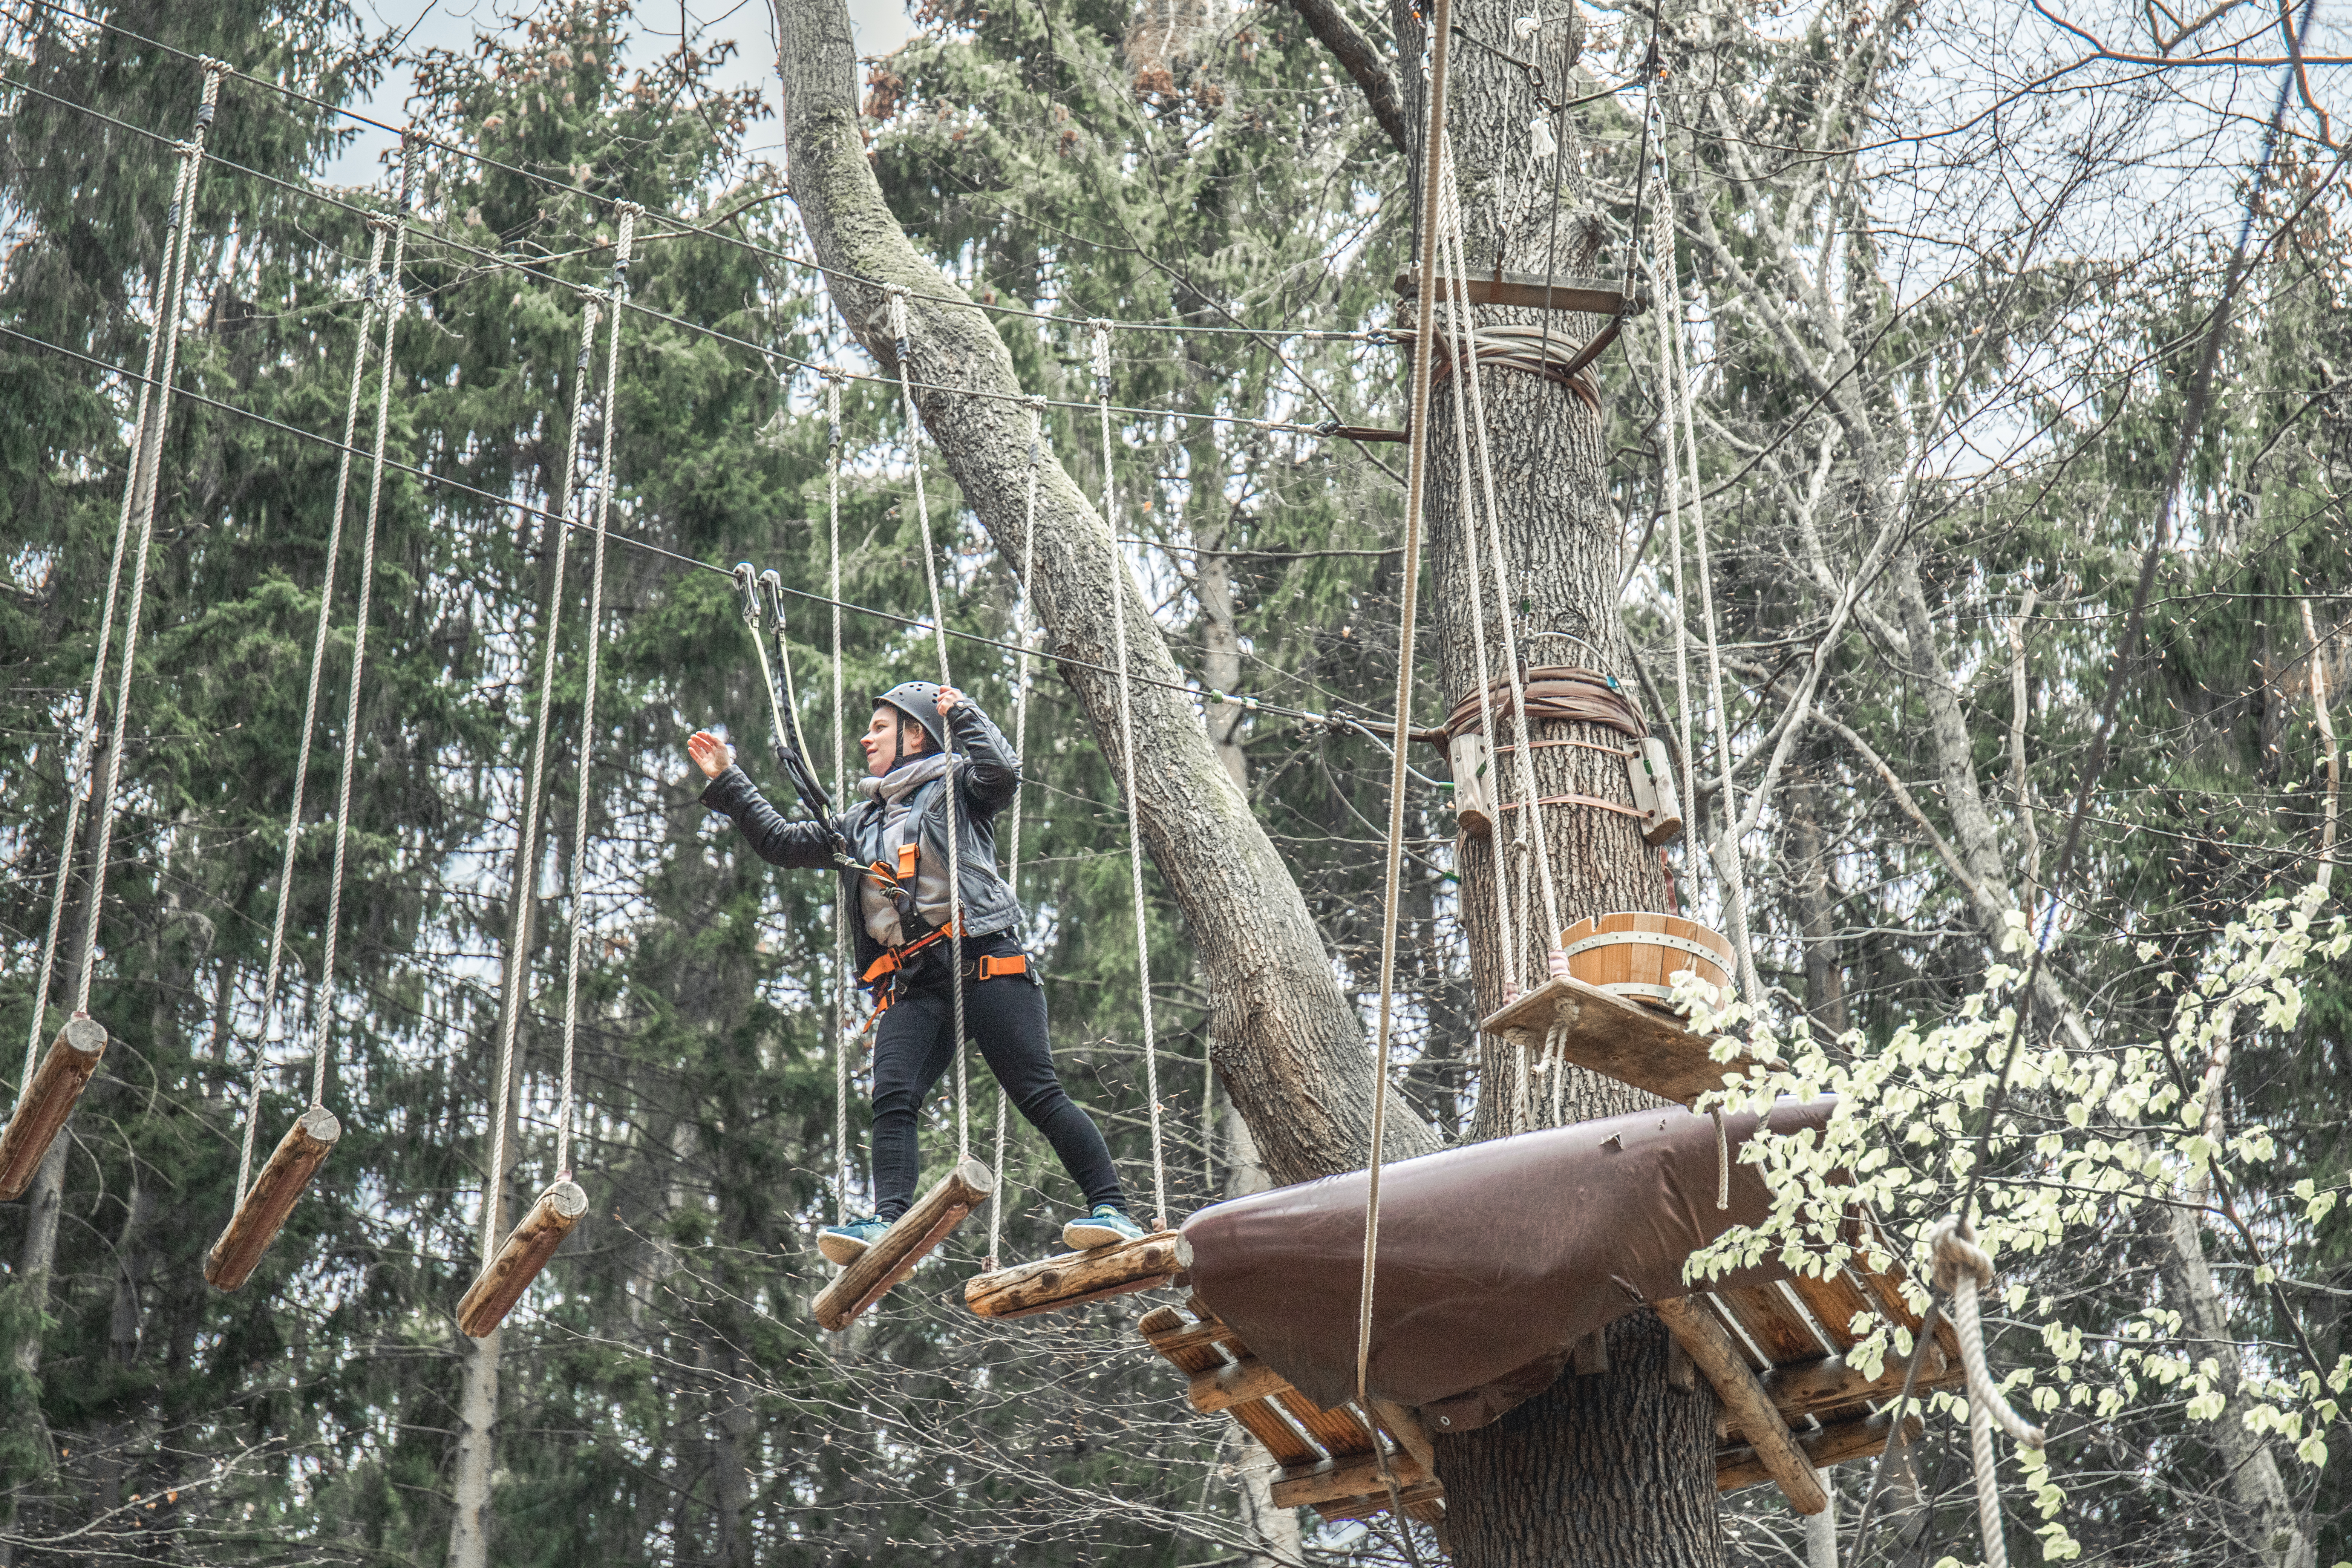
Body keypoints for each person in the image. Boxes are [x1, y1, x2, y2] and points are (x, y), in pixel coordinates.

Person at [687, 680, 1145, 1264]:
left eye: (879, 728)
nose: (865, 737)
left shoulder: (957, 789)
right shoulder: (858, 821)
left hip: (986, 963)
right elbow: (779, 842)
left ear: (915, 734)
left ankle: (1114, 1210)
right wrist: (728, 778)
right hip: (917, 982)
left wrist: (967, 716)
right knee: (893, 1095)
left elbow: (1001, 776)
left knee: (1037, 1092)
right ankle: (889, 1222)